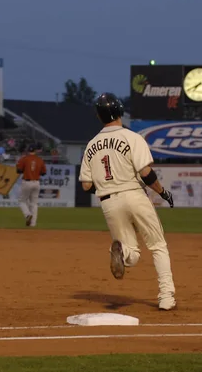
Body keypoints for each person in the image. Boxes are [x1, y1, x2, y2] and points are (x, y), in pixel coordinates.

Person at [78, 92, 177, 311]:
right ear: (120, 111)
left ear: (99, 116)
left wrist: (106, 186)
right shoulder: (132, 138)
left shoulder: (91, 145)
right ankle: (166, 297)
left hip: (109, 202)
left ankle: (121, 253)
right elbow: (145, 172)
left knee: (131, 253)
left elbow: (86, 185)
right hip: (134, 194)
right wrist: (162, 192)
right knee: (158, 245)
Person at [16, 145, 47, 227]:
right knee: (34, 204)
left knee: (22, 201)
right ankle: (33, 224)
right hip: (36, 182)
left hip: (27, 182)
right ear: (35, 151)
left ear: (27, 151)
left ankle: (27, 215)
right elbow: (44, 173)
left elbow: (18, 170)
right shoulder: (40, 160)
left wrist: (26, 169)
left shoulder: (24, 159)